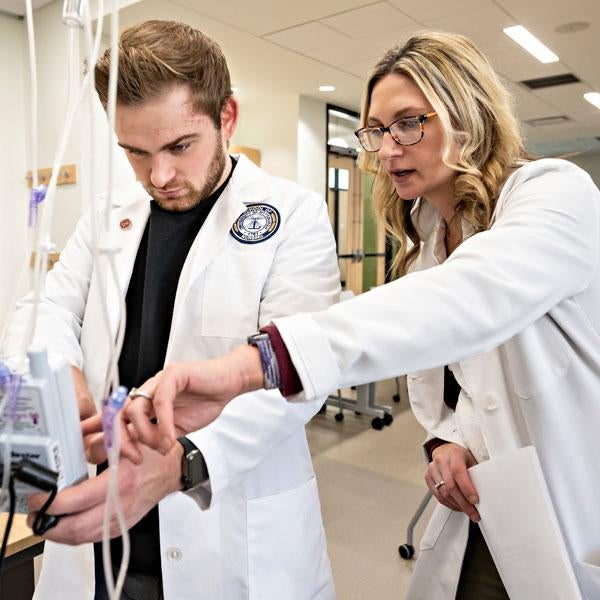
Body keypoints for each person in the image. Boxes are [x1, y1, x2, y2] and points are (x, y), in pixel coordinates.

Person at [110, 32, 600, 599]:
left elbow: (472, 300)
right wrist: (449, 442)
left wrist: (259, 362)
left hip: (577, 508)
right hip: (492, 507)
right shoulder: (429, 242)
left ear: (469, 115)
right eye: (376, 131)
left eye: (410, 123)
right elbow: (476, 386)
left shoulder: (556, 195)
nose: (387, 148)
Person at [7, 20, 340, 600]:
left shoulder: (294, 216)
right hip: (104, 536)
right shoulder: (107, 214)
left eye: (179, 147)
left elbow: (297, 375)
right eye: (135, 152)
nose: (158, 175)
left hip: (223, 527)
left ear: (226, 118)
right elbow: (46, 307)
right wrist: (66, 383)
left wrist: (184, 460)